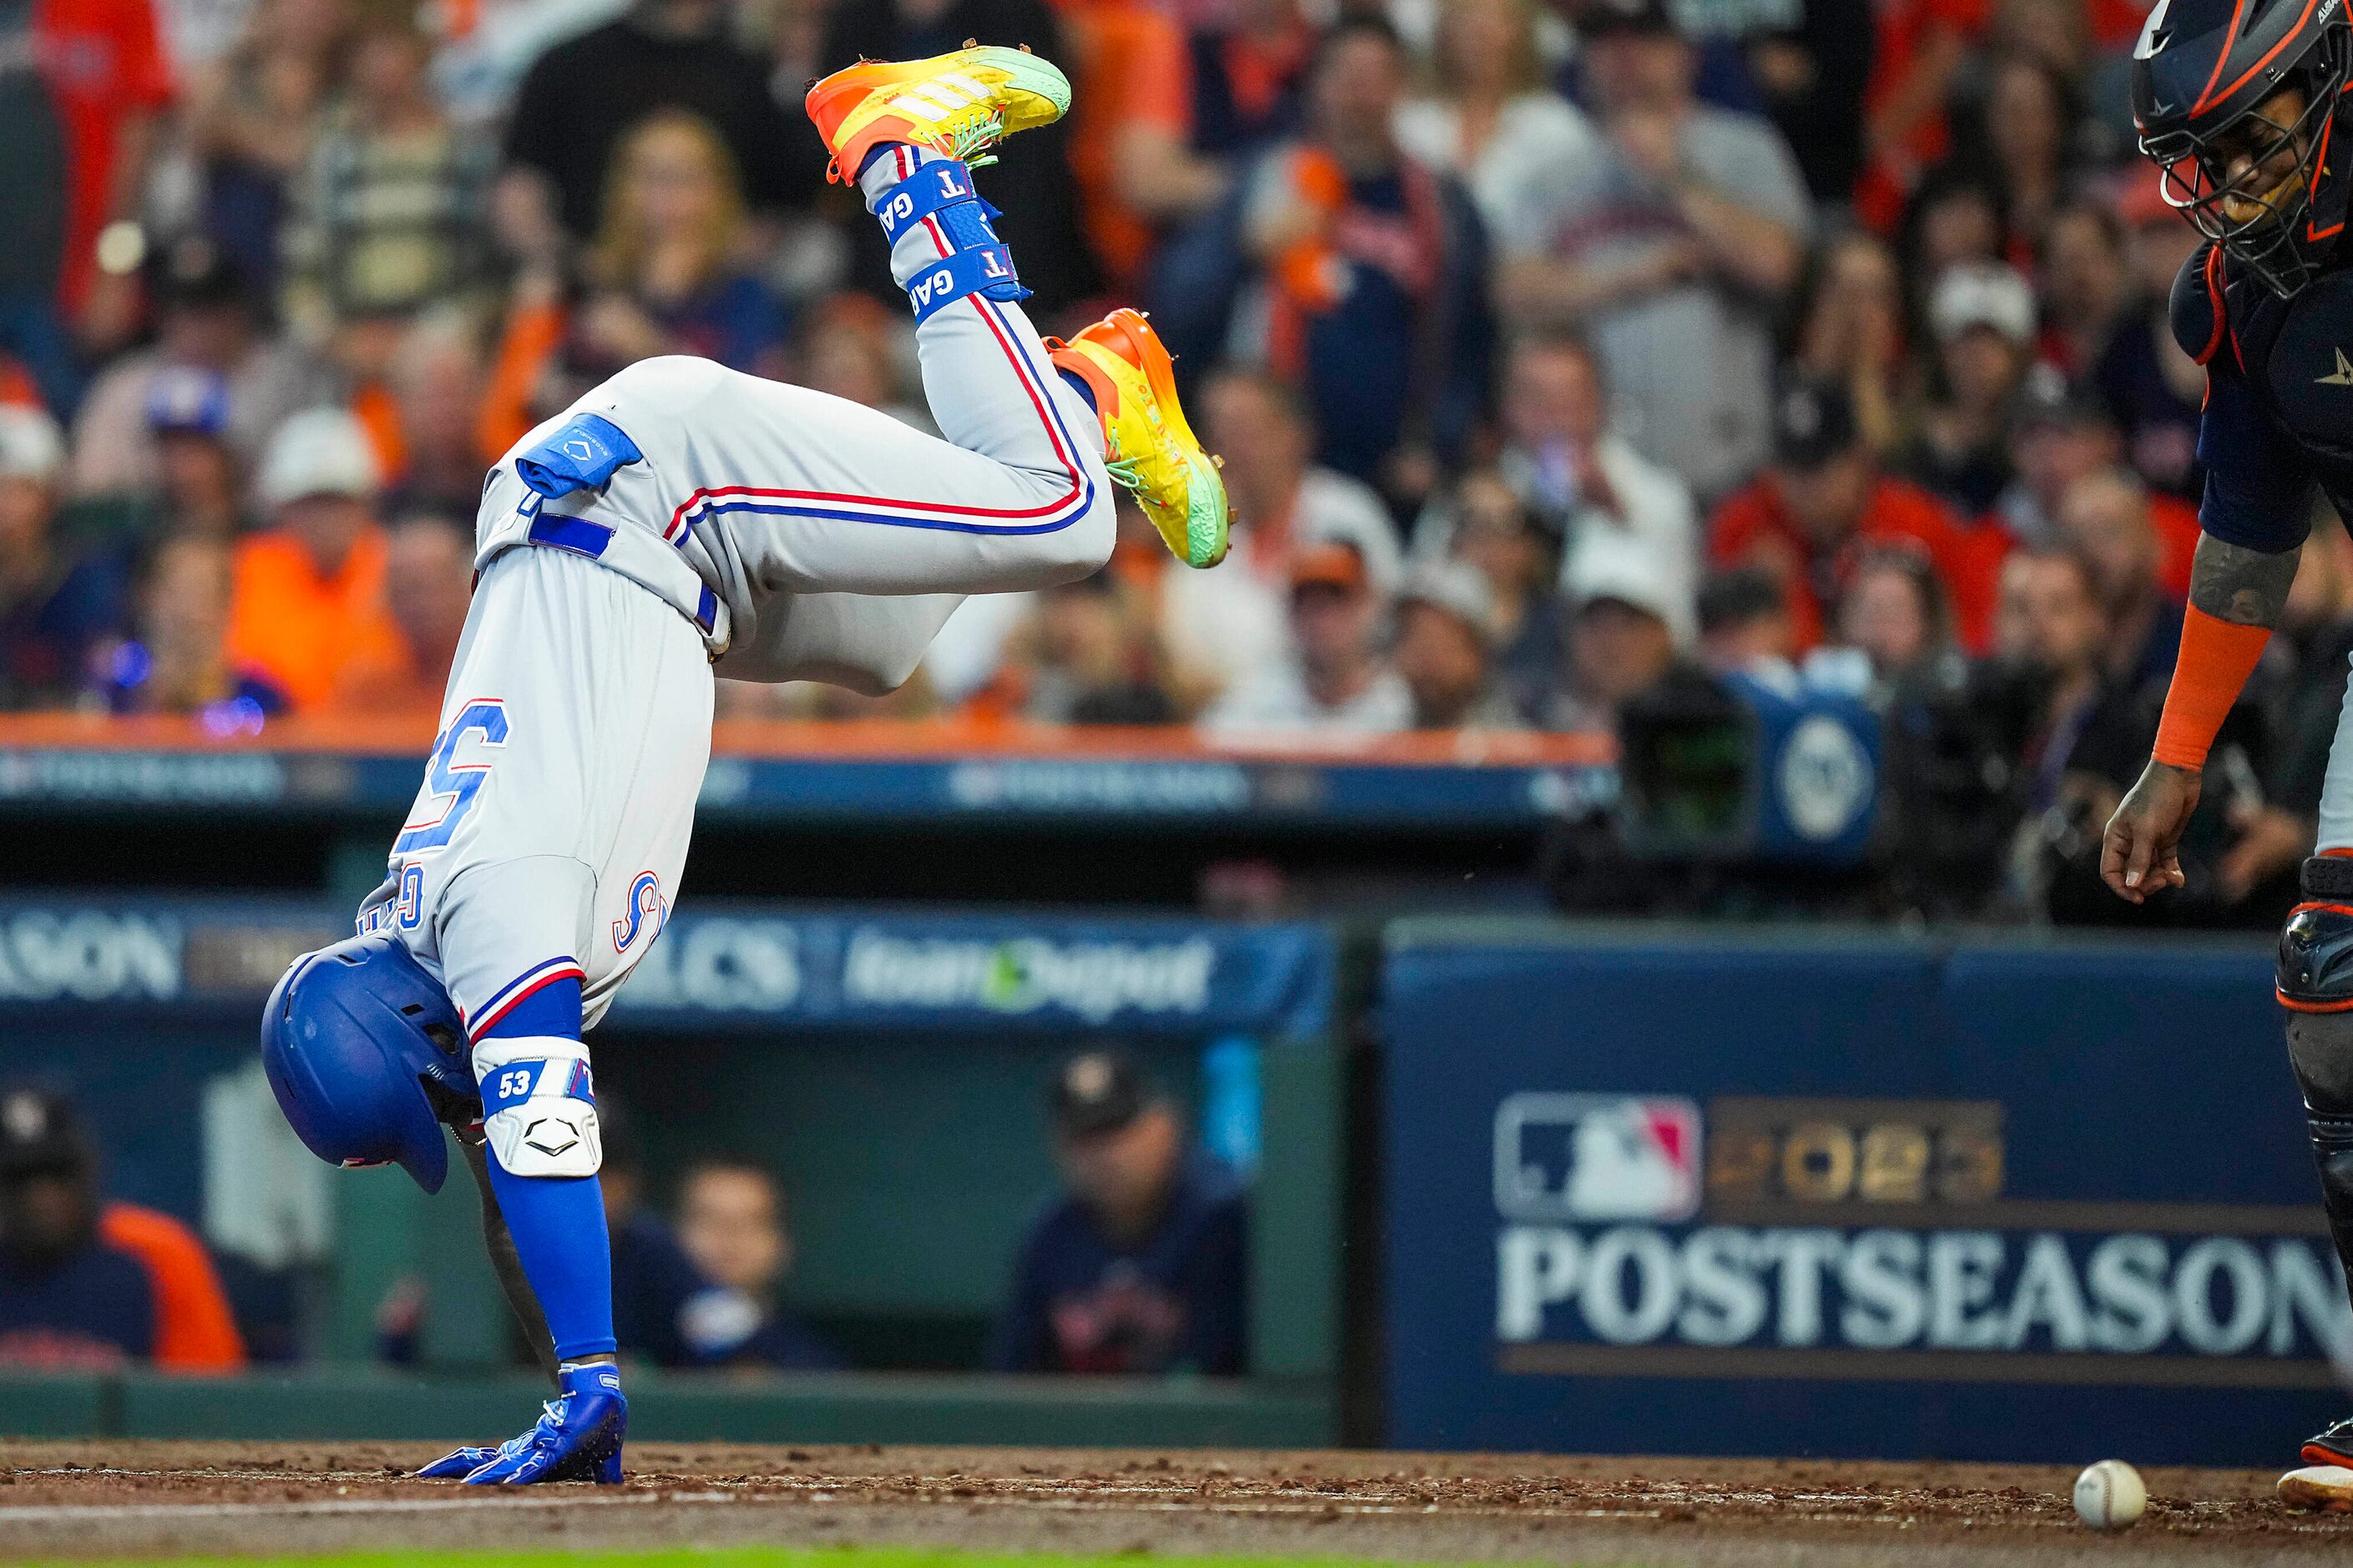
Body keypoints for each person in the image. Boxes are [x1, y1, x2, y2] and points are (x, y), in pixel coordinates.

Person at [257, 43, 1231, 1487]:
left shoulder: (490, 905)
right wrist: (558, 1387)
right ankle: (1081, 387)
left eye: (428, 1092)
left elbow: (535, 1141)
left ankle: (901, 151)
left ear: (410, 1025)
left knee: (1062, 517)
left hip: (655, 484)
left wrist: (592, 1379)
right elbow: (501, 1162)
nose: (451, 1111)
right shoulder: (441, 963)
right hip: (655, 566)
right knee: (894, 647)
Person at [2100, 0, 2353, 1505]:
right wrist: (2175, 752)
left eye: (2241, 139)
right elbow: (2250, 527)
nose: (2221, 184)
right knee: (2333, 992)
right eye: (2194, 157)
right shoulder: (2244, 292)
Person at [1498, 0, 1809, 503]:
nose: (1625, 56)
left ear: (1686, 53)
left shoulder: (1745, 149)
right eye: (1605, 41)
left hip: (1726, 464)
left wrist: (1675, 178)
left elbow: (1779, 266)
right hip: (1593, 474)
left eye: (1644, 38)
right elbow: (1513, 290)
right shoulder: (1556, 169)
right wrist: (1632, 278)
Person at [990, 1050, 1247, 1376]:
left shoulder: (1225, 1219)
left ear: (1164, 1127)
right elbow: (1008, 1378)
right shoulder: (1050, 1236)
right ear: (1058, 1149)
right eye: (1085, 1138)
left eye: (1117, 1131)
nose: (1103, 1155)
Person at [1708, 374, 2001, 653]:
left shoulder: (1916, 523)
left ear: (1859, 459)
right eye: (1790, 468)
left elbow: (1974, 635)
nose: (1803, 487)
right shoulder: (1744, 525)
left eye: (1819, 468)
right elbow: (1723, 650)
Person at [0, 1088, 246, 1371]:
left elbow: (207, 1401)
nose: (41, 1196)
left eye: (59, 1174)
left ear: (86, 1174)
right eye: (20, 1180)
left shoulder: (157, 1254)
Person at [224, 406, 404, 711]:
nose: (323, 520)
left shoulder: (399, 570)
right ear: (281, 510)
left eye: (336, 503)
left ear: (366, 505)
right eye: (308, 505)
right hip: (272, 743)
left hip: (383, 748)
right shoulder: (247, 570)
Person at [1200, 540, 1410, 734]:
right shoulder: (1259, 699)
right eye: (1305, 604)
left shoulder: (1400, 704)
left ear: (1367, 606)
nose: (1320, 619)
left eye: (1335, 600)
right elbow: (1204, 752)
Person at [0, 407, 127, 708]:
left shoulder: (86, 579)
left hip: (66, 737)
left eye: (19, 490)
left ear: (51, 495)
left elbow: (99, 681)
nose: (5, 505)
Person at [675, 1156, 843, 1371]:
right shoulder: (635, 1352)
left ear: (782, 1243)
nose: (728, 1236)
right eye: (708, 1220)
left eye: (752, 1222)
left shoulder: (815, 1370)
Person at [1394, 559, 1521, 730]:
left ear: (1478, 650)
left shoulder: (1514, 744)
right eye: (1414, 635)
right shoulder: (1373, 731)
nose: (1424, 656)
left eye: (1440, 639)